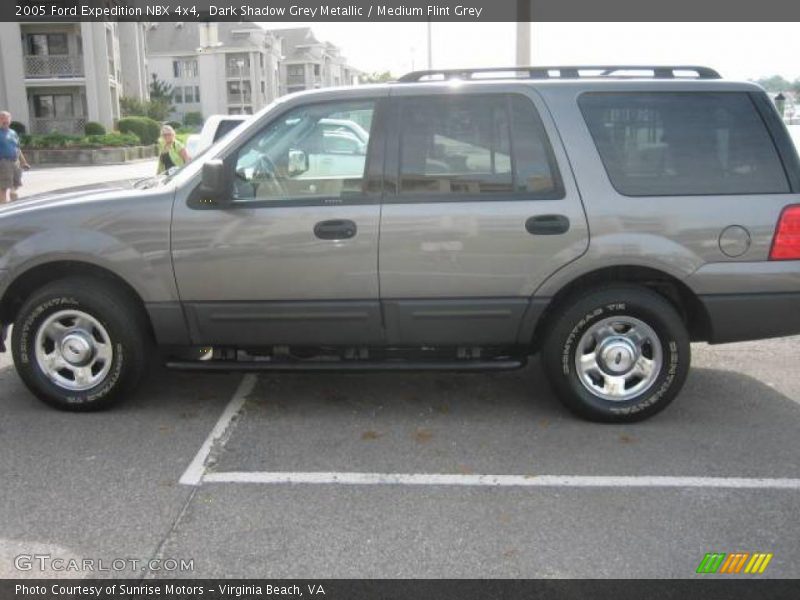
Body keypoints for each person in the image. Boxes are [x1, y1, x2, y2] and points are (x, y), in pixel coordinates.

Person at [0, 110, 22, 204]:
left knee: (16, 183)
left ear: (10, 120)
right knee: (3, 186)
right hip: (3, 162)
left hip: (15, 161)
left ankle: (14, 205)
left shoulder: (13, 132)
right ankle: (3, 206)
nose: (5, 121)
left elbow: (18, 147)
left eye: (7, 119)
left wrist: (23, 162)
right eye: (2, 119)